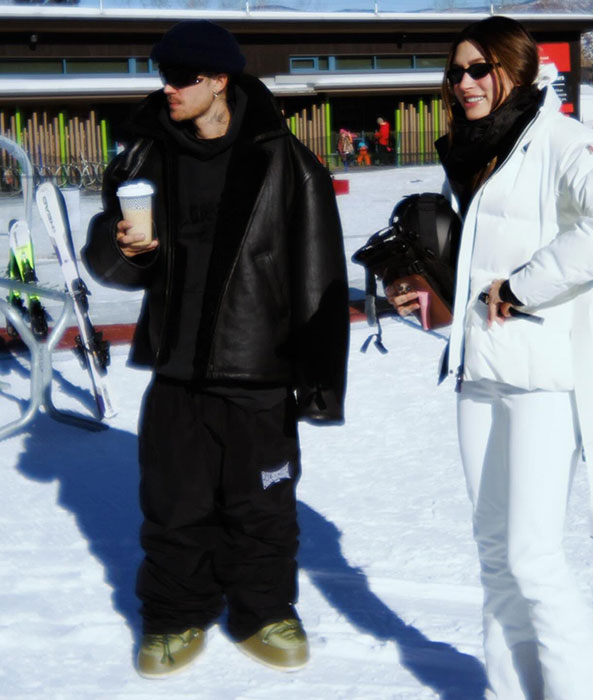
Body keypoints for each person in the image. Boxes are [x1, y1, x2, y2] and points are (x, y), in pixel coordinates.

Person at [387, 16, 593, 700]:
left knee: (534, 560)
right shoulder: (478, 152)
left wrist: (527, 284)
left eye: (481, 69)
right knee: (497, 560)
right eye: (456, 72)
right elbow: (480, 263)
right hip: (480, 373)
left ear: (519, 69)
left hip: (544, 377)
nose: (466, 82)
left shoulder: (564, 140)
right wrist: (430, 298)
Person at [83, 20, 349, 679]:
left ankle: (264, 610)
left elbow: (319, 272)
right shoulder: (145, 155)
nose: (167, 88)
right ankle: (175, 617)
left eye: (182, 77)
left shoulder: (284, 160)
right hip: (175, 366)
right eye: (162, 76)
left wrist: (320, 379)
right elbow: (103, 257)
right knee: (173, 504)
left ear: (220, 80)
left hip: (259, 366)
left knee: (263, 505)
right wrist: (122, 249)